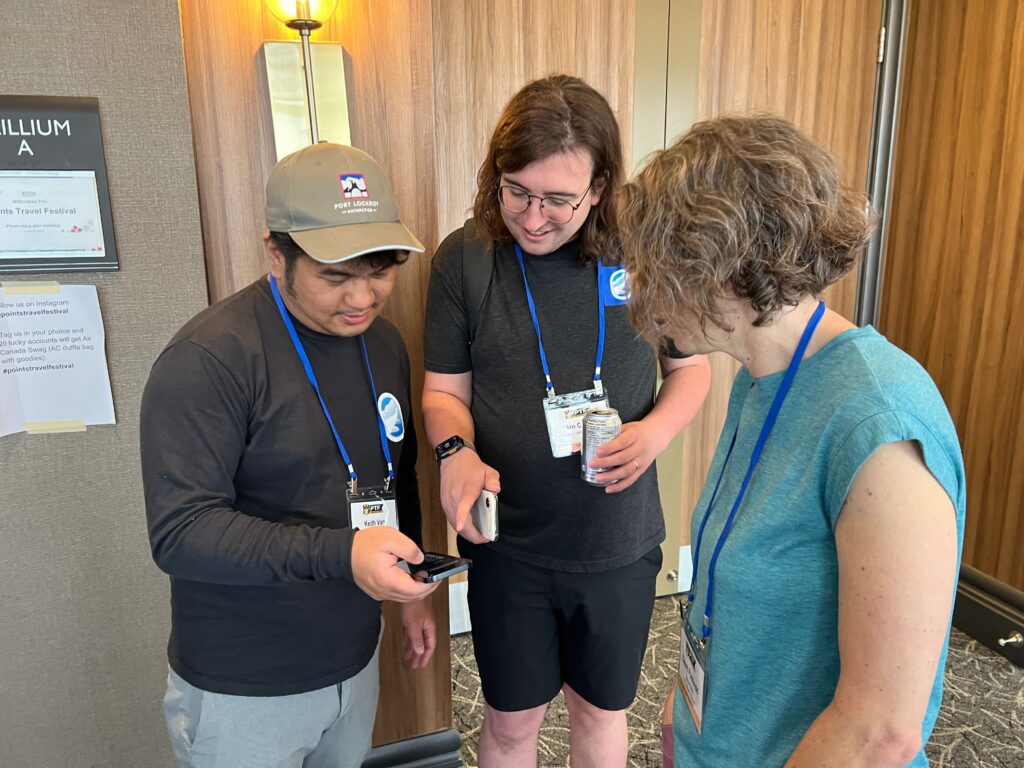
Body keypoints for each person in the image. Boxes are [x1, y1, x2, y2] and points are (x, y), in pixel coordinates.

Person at [618, 114, 966, 767]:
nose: (641, 290)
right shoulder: (764, 377)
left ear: (724, 266)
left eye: (656, 268)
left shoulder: (879, 424)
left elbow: (880, 733)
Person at [422, 75, 712, 767]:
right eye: (516, 190)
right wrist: (454, 450)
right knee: (512, 725)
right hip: (510, 546)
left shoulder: (645, 252)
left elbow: (692, 371)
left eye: (558, 199)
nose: (532, 217)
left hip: (616, 542)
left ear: (602, 187)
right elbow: (441, 392)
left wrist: (656, 432)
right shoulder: (465, 260)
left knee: (599, 717)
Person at [141, 142, 439, 768]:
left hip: (353, 658)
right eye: (335, 276)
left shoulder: (382, 344)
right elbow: (181, 532)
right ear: (277, 253)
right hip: (246, 683)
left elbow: (396, 471)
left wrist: (412, 592)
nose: (362, 297)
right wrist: (342, 552)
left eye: (381, 269)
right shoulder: (210, 360)